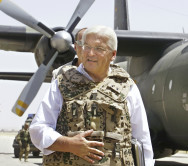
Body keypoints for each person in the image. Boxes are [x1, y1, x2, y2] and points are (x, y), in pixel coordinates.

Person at [29, 25, 155, 166]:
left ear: (113, 55)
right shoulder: (61, 82)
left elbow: (142, 140)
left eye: (99, 49)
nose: (90, 53)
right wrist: (69, 144)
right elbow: (38, 129)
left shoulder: (127, 86)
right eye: (86, 46)